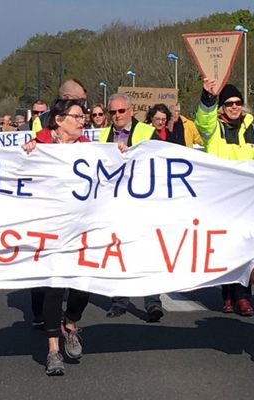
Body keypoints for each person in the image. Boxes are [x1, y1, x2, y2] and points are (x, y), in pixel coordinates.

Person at [22, 99, 91, 376]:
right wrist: (27, 153)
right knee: (54, 285)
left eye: (83, 116)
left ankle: (71, 323)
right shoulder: (40, 146)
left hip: (83, 227)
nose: (82, 120)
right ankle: (53, 350)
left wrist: (119, 152)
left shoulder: (91, 149)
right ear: (59, 120)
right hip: (50, 227)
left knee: (83, 286)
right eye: (76, 116)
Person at [195, 79, 254, 317]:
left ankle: (243, 297)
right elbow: (203, 120)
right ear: (222, 107)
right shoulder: (213, 128)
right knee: (227, 248)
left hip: (247, 198)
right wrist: (208, 97)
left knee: (246, 247)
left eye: (238, 103)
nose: (235, 107)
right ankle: (227, 294)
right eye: (229, 103)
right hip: (221, 197)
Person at [99, 93, 163, 322]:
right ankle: (119, 301)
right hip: (116, 206)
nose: (117, 116)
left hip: (144, 203)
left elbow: (159, 159)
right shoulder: (103, 135)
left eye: (121, 111)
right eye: (113, 112)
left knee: (148, 252)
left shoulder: (147, 132)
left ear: (131, 111)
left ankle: (153, 302)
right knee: (118, 253)